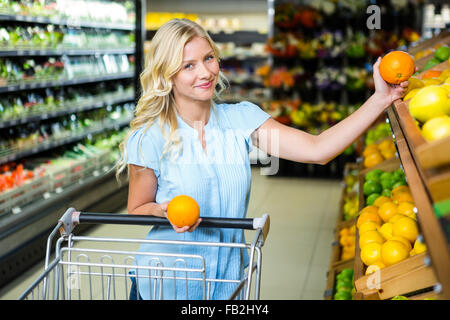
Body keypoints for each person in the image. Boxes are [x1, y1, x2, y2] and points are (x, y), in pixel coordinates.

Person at [115, 18, 408, 300]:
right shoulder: (151, 137)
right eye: (188, 66)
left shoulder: (241, 119)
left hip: (227, 284)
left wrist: (380, 100)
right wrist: (162, 211)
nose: (204, 73)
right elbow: (138, 207)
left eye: (209, 58)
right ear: (168, 75)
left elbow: (318, 150)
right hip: (165, 284)